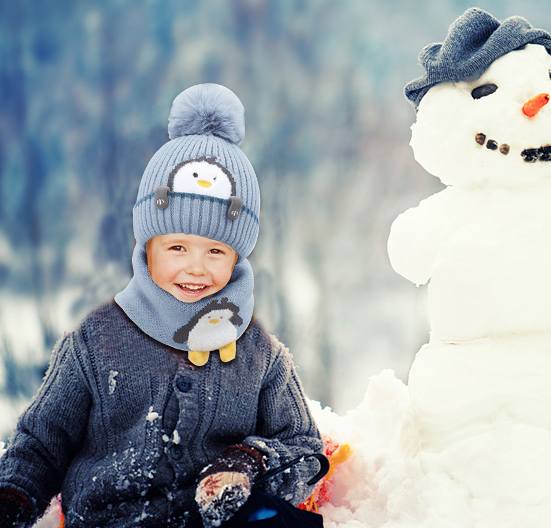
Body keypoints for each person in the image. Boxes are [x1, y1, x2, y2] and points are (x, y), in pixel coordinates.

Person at [0, 84, 323, 528]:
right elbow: (40, 443)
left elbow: (304, 445)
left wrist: (247, 462)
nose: (196, 268)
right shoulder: (96, 342)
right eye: (176, 247)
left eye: (215, 252)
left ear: (237, 257)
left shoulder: (259, 355)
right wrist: (14, 495)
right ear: (147, 246)